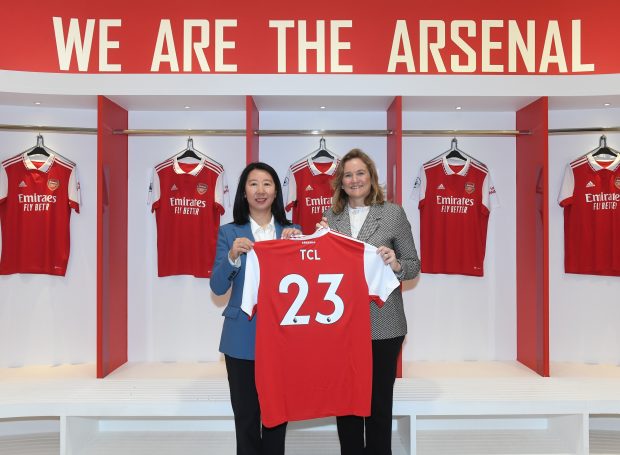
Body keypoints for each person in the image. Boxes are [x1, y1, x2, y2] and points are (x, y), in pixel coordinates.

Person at [320, 149, 420, 455]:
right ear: (340, 182)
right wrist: (314, 241)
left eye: (360, 173)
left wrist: (395, 262)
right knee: (346, 399)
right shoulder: (330, 217)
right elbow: (320, 268)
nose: (354, 180)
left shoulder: (393, 213)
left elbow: (413, 264)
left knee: (378, 401)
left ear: (371, 177)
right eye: (348, 175)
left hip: (384, 322)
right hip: (340, 323)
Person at [210, 162, 301, 455]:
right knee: (247, 417)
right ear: (244, 192)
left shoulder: (293, 231)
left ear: (276, 192)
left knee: (276, 416)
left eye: (267, 183)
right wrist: (233, 256)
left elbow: (307, 280)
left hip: (284, 337)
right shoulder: (229, 233)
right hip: (241, 337)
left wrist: (300, 247)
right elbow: (217, 287)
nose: (260, 190)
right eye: (253, 184)